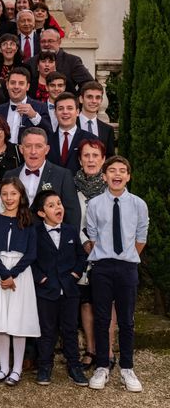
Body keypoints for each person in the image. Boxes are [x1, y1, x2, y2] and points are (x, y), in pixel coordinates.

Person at [87, 156, 149, 392]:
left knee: (127, 320)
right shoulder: (94, 205)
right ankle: (102, 366)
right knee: (102, 320)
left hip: (127, 267)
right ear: (104, 176)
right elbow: (92, 237)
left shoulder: (138, 204)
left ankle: (127, 369)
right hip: (102, 267)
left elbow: (141, 237)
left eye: (122, 171)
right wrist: (107, 255)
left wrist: (127, 256)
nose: (117, 174)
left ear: (128, 176)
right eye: (112, 170)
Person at [0, 178, 39, 386]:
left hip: (20, 275)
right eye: (5, 194)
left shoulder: (28, 221)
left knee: (17, 322)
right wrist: (3, 274)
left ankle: (16, 369)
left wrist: (13, 274)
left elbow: (31, 253)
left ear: (21, 196)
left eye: (13, 194)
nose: (9, 198)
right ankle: (3, 367)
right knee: (1, 322)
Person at [31, 190, 89, 387]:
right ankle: (45, 366)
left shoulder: (71, 231)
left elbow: (81, 256)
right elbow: (31, 260)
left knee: (70, 330)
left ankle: (74, 367)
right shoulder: (35, 233)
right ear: (41, 213)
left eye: (59, 203)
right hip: (46, 291)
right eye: (51, 205)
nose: (58, 208)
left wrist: (75, 274)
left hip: (69, 290)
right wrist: (42, 279)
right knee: (47, 331)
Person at [74, 139, 117, 371]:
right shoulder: (72, 186)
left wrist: (101, 243)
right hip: (81, 251)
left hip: (107, 252)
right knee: (87, 302)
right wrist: (85, 242)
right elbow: (71, 219)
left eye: (95, 156)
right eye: (86, 156)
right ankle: (91, 349)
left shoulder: (114, 186)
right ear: (80, 160)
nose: (91, 160)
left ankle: (107, 351)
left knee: (106, 303)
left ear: (102, 160)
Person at [5, 127, 81, 229]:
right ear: (21, 149)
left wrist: (69, 242)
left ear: (47, 149)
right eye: (28, 146)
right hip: (16, 237)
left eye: (39, 146)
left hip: (50, 240)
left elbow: (72, 214)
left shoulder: (63, 175)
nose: (33, 151)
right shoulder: (9, 175)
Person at [0, 67, 51, 145]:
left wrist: (34, 116)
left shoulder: (40, 107)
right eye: (13, 83)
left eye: (21, 83)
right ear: (7, 85)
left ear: (27, 86)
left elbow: (49, 133)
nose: (16, 87)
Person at [29, 29, 94, 94]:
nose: (46, 44)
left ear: (59, 42)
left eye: (50, 41)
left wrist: (76, 99)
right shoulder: (31, 62)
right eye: (43, 41)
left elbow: (88, 83)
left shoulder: (72, 61)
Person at [47, 92, 98, 175]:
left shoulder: (91, 139)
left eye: (70, 108)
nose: (65, 112)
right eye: (60, 109)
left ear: (77, 112)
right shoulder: (47, 140)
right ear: (55, 113)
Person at [78, 81, 116, 157]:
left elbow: (109, 158)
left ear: (101, 100)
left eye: (98, 97)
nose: (94, 101)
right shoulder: (70, 124)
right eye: (89, 97)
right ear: (81, 99)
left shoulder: (108, 130)